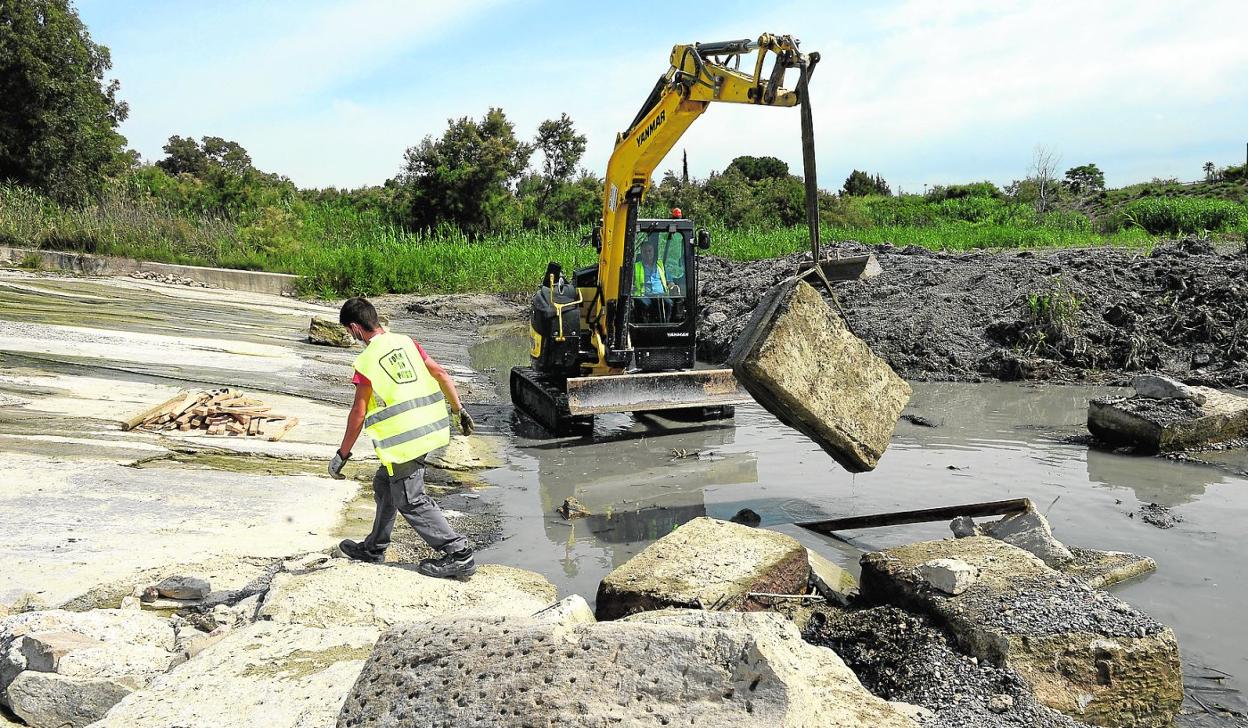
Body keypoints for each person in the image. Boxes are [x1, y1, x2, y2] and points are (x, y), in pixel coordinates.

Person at [329, 297, 478, 579]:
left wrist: (342, 455)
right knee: (385, 485)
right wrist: (459, 410)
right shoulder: (407, 342)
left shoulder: (367, 361)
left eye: (350, 333)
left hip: (405, 439)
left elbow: (358, 414)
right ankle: (374, 548)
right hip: (430, 429)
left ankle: (459, 554)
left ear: (355, 328)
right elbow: (441, 373)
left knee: (410, 499)